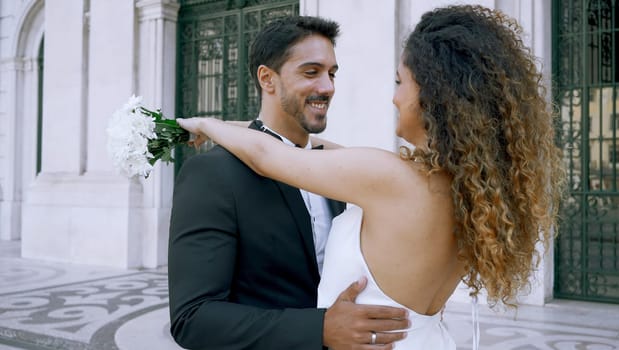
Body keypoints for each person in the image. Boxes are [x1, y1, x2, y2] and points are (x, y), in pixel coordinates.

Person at [177, 5, 566, 349]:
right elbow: (296, 149)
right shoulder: (468, 190)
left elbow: (268, 155)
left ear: (433, 94)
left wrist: (203, 122)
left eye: (400, 82)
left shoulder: (384, 177)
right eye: (312, 72)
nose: (393, 97)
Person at [168, 16, 409, 350]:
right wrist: (319, 329)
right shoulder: (212, 173)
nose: (328, 87)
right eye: (311, 72)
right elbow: (192, 318)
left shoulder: (335, 167)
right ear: (268, 79)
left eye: (332, 73)